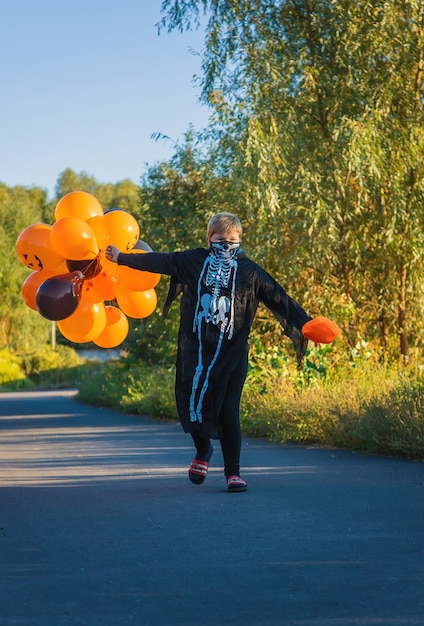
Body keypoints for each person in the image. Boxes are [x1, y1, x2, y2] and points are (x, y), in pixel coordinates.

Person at [106, 212, 329, 492]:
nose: (226, 243)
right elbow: (160, 261)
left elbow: (279, 298)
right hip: (196, 352)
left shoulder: (250, 271)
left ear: (240, 240)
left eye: (232, 239)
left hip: (232, 354)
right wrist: (122, 258)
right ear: (209, 238)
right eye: (220, 239)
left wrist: (307, 325)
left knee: (228, 411)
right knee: (192, 405)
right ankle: (203, 451)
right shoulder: (193, 261)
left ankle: (233, 473)